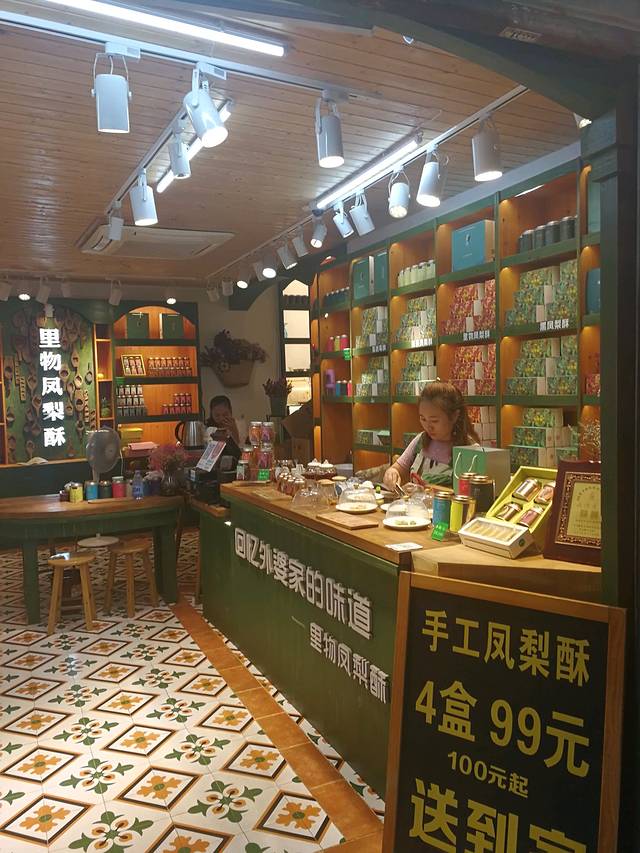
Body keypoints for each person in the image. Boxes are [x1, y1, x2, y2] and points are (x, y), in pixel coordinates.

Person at [383, 381, 479, 490]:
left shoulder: (471, 451)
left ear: (454, 416)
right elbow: (397, 468)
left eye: (434, 421)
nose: (428, 426)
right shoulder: (421, 440)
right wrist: (392, 473)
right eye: (423, 419)